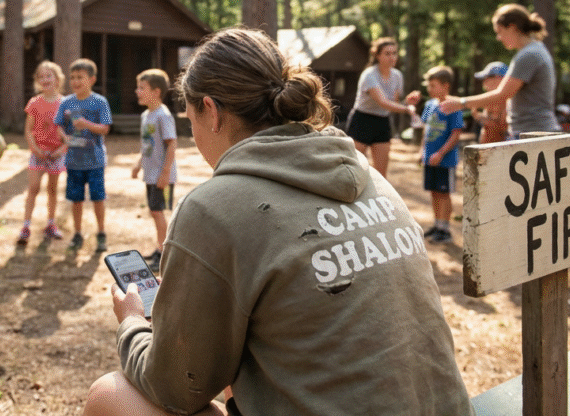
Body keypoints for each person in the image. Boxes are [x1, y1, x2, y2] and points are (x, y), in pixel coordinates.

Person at [83, 28, 474, 416]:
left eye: (191, 119)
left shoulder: (214, 208)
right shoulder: (370, 175)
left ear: (212, 112)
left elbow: (177, 388)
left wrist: (133, 322)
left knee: (108, 394)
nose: (193, 133)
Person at [440, 4, 560, 138]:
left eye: (499, 31)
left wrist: (461, 103)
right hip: (531, 132)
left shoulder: (529, 54)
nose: (498, 38)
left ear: (512, 27)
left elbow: (502, 94)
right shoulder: (534, 50)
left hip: (535, 134)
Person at [55, 58, 113, 254]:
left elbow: (105, 129)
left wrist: (86, 124)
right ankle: (78, 234)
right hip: (73, 162)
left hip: (95, 161)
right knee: (76, 199)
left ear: (92, 79)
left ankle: (101, 233)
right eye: (72, 77)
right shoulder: (66, 102)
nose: (75, 81)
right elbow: (59, 126)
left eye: (80, 77)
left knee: (98, 198)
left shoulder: (100, 102)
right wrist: (65, 138)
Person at [345, 37, 420, 177]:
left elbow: (394, 103)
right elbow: (383, 102)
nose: (392, 57)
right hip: (362, 120)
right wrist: (407, 109)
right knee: (356, 170)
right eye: (387, 53)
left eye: (394, 53)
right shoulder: (369, 75)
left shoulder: (397, 76)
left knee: (381, 175)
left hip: (382, 122)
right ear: (377, 55)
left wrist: (407, 102)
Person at [131, 69, 178, 273]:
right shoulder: (145, 115)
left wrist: (165, 173)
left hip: (161, 175)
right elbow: (147, 145)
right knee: (154, 211)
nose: (137, 91)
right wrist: (138, 163)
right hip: (150, 174)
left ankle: (166, 253)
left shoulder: (163, 115)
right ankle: (160, 248)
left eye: (142, 88)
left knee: (157, 212)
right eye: (138, 87)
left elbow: (172, 144)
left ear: (157, 91)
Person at [18, 60, 68, 245]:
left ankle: (51, 224)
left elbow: (69, 134)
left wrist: (61, 150)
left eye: (49, 75)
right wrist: (35, 149)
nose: (45, 79)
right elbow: (28, 130)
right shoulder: (34, 102)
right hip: (38, 153)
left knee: (52, 190)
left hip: (56, 155)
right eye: (41, 76)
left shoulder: (65, 103)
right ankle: (25, 226)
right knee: (33, 188)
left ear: (57, 79)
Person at [419, 66, 464, 244]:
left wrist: (440, 153)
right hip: (430, 158)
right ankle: (437, 225)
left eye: (433, 85)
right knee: (434, 192)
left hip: (445, 160)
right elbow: (426, 129)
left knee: (444, 194)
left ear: (446, 86)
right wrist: (422, 150)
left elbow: (455, 133)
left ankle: (445, 229)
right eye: (428, 85)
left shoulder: (454, 105)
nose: (429, 89)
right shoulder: (430, 105)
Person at [472, 61, 508, 143]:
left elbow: (502, 129)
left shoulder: (508, 102)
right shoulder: (490, 100)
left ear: (498, 78)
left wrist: (481, 118)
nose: (484, 82)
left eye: (487, 77)